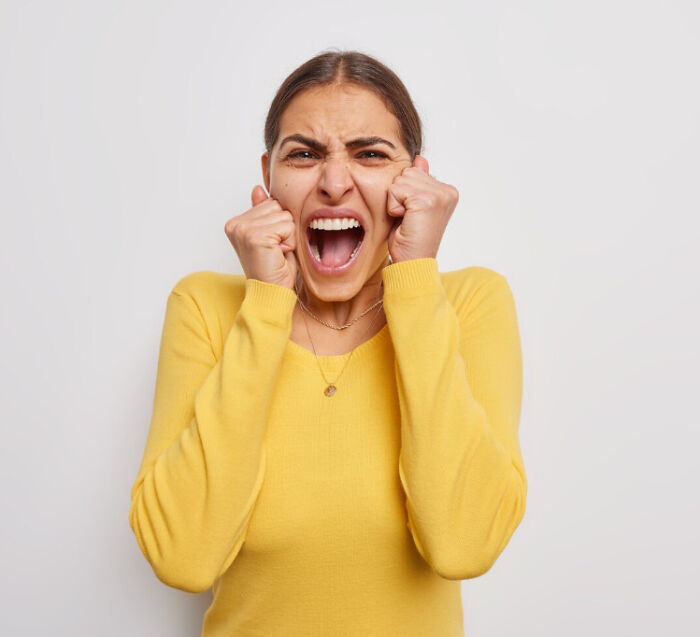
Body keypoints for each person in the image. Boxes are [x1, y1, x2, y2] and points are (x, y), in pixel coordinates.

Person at [129, 49, 527, 636]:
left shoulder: (469, 303)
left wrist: (415, 280)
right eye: (304, 154)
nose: (335, 183)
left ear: (415, 178)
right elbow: (182, 557)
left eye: (370, 154)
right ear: (268, 176)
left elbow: (464, 545)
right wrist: (266, 303)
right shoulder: (206, 307)